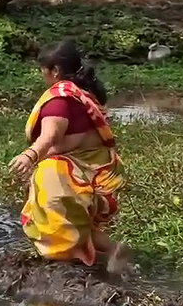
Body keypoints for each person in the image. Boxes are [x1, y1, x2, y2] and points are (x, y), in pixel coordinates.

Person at [9, 40, 131, 275]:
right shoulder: (82, 94)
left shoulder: (60, 100)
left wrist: (29, 155)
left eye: (43, 70)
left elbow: (50, 137)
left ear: (54, 71)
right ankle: (111, 250)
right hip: (97, 169)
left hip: (80, 172)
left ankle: (66, 258)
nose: (42, 76)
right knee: (73, 217)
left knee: (50, 185)